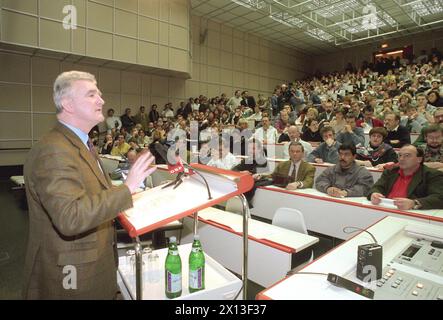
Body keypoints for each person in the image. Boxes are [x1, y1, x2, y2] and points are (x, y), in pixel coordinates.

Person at [22, 71, 156, 299]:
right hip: (72, 276)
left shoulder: (81, 144)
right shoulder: (54, 149)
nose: (101, 100)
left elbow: (89, 197)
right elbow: (70, 217)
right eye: (92, 94)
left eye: (100, 94)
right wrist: (127, 188)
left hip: (92, 265)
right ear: (68, 104)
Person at [368, 144, 443, 210]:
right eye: (400, 155)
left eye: (407, 155)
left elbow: (439, 197)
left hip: (412, 216)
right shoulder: (390, 172)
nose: (401, 159)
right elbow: (376, 187)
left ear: (419, 159)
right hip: (385, 209)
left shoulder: (432, 175)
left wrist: (414, 203)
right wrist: (374, 194)